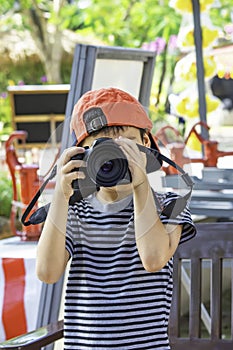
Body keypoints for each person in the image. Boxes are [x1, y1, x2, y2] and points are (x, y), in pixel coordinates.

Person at [36, 87, 196, 350]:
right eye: (102, 148)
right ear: (82, 156)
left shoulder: (170, 204)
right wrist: (62, 196)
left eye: (127, 144)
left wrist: (140, 182)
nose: (116, 157)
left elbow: (153, 258)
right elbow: (47, 272)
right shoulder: (74, 211)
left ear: (147, 145)